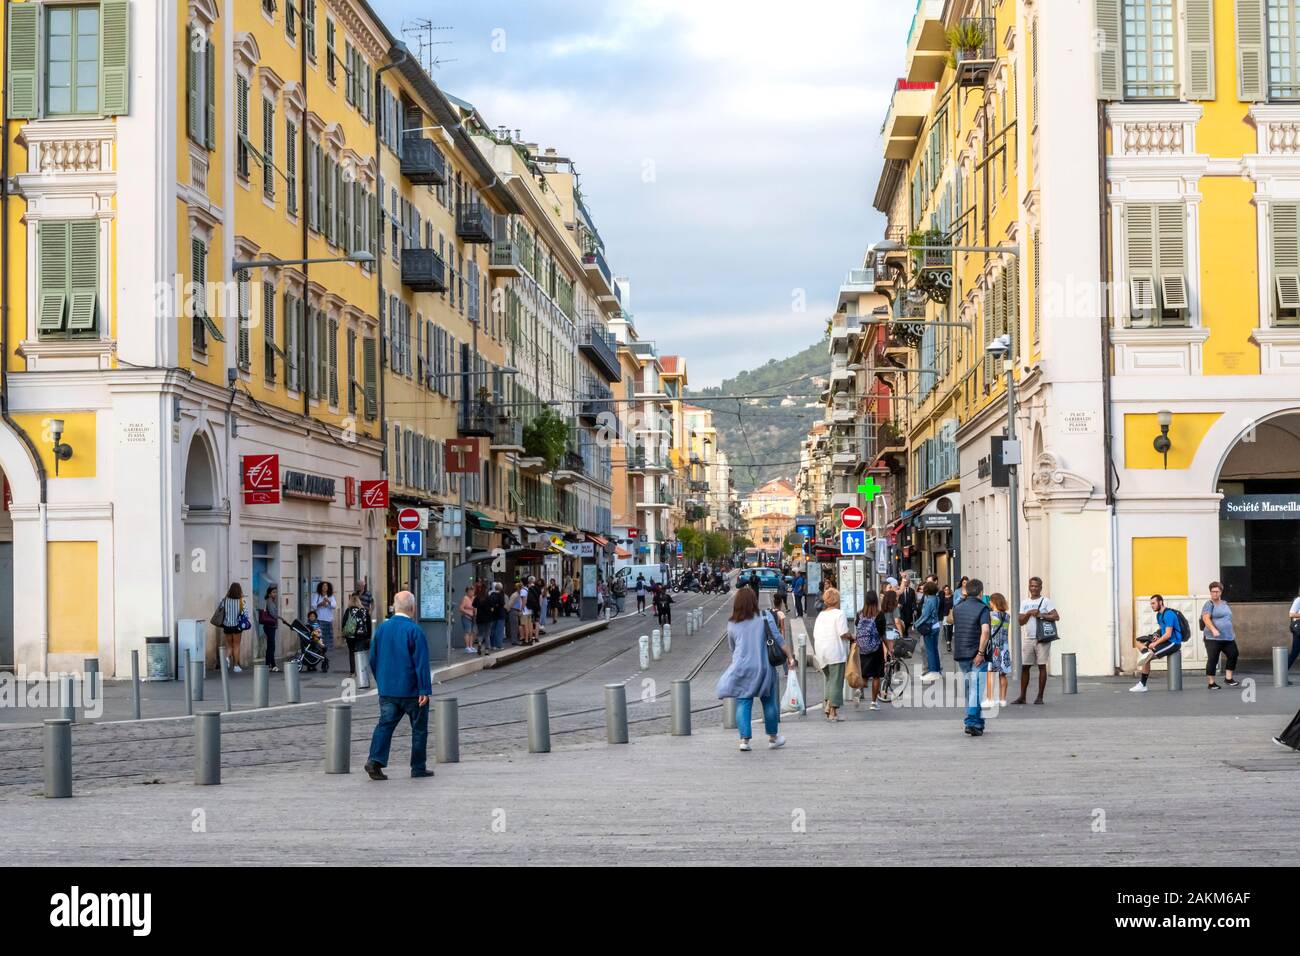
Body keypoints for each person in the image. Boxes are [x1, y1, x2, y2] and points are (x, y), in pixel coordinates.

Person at [364, 591, 433, 780]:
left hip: (388, 690)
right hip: (412, 690)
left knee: (385, 725)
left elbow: (373, 658)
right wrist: (424, 689)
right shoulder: (415, 630)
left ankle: (374, 760)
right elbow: (421, 663)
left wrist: (382, 681)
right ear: (413, 608)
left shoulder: (382, 629)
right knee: (419, 729)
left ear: (395, 607)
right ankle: (418, 767)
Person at [715, 586, 792, 752]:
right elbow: (778, 639)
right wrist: (790, 657)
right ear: (754, 601)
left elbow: (732, 647)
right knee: (769, 701)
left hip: (742, 667)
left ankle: (744, 740)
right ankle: (773, 737)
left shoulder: (732, 623)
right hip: (764, 667)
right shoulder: (765, 617)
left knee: (743, 701)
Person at [951, 577, 992, 736]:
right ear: (981, 592)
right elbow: (986, 631)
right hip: (976, 654)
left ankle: (978, 722)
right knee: (976, 689)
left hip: (961, 653)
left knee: (970, 688)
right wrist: (981, 652)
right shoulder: (983, 608)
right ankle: (972, 722)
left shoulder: (958, 607)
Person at [1014, 576, 1059, 705]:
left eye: (1036, 586)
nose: (1034, 588)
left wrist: (1041, 615)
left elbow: (1056, 616)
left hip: (1042, 638)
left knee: (1041, 666)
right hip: (1028, 638)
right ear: (1029, 586)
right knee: (1025, 667)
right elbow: (1020, 622)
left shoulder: (1046, 601)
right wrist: (1028, 613)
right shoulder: (1024, 602)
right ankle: (1022, 696)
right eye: (1032, 586)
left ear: (1040, 587)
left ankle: (1040, 697)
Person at [1130, 594, 1183, 693]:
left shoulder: (1169, 614)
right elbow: (1163, 630)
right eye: (1151, 604)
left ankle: (1142, 684)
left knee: (1147, 657)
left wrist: (1155, 644)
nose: (1152, 605)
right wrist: (1155, 635)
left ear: (1160, 602)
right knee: (1138, 642)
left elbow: (1168, 634)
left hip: (1173, 642)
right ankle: (1146, 653)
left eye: (1153, 603)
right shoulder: (1159, 615)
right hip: (1165, 640)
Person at [812, 587, 851, 722]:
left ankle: (828, 706)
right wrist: (852, 637)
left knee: (829, 679)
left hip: (821, 651)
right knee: (836, 681)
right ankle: (833, 711)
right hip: (835, 651)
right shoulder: (839, 614)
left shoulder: (821, 615)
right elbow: (843, 633)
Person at [1201, 582, 1240, 689]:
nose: (1215, 594)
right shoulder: (1208, 604)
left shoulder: (1224, 603)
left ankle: (1228, 678)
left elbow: (1227, 618)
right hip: (1212, 638)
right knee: (1213, 659)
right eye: (1213, 592)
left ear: (1221, 592)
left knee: (1233, 654)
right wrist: (1213, 630)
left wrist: (1230, 631)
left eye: (1217, 591)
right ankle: (1211, 683)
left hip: (1228, 637)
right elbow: (1206, 618)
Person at [855, 591, 888, 711]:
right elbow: (882, 634)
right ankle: (873, 702)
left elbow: (857, 627)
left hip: (863, 649)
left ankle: (859, 689)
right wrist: (889, 649)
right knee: (876, 676)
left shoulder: (860, 614)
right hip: (875, 649)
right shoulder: (879, 615)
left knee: (864, 674)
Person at [983, 592, 1011, 705]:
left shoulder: (990, 615)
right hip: (1004, 647)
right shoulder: (1007, 616)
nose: (989, 602)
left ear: (994, 602)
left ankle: (990, 699)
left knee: (990, 673)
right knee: (1002, 674)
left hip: (994, 648)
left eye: (990, 601)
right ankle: (1003, 699)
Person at [216, 582, 247, 672]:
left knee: (229, 646)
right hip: (237, 626)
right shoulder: (241, 601)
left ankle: (226, 657)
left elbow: (220, 609)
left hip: (227, 626)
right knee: (236, 645)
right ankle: (236, 666)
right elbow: (246, 613)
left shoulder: (225, 600)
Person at [915, 580, 942, 684]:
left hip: (929, 627)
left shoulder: (929, 600)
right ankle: (937, 670)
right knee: (934, 649)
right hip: (935, 626)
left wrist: (916, 624)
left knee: (930, 650)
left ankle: (933, 672)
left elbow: (925, 615)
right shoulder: (936, 598)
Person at [341, 591, 373, 675]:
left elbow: (344, 622)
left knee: (351, 652)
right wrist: (369, 636)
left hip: (350, 635)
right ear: (359, 601)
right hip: (361, 635)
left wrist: (344, 633)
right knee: (360, 653)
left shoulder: (348, 611)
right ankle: (360, 671)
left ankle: (352, 671)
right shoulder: (364, 611)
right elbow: (368, 624)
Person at [311, 581, 338, 651]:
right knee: (318, 636)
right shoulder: (317, 595)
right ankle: (318, 649)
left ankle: (325, 650)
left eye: (326, 586)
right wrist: (321, 604)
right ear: (321, 587)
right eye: (323, 586)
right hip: (319, 619)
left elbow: (334, 605)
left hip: (328, 619)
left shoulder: (330, 596)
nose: (325, 587)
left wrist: (328, 601)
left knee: (327, 637)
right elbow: (313, 606)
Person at [258, 585, 279, 672]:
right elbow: (273, 614)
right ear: (269, 594)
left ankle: (268, 664)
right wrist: (278, 616)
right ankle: (272, 665)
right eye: (273, 592)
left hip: (269, 626)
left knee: (270, 646)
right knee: (272, 646)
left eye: (276, 592)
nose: (275, 594)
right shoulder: (270, 602)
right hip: (270, 626)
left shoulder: (270, 601)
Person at [473, 581, 492, 653]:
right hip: (488, 618)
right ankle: (487, 650)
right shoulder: (488, 597)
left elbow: (474, 606)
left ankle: (480, 643)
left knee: (480, 633)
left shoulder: (477, 598)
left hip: (480, 618)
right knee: (487, 634)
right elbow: (492, 607)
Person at [458, 585, 477, 655]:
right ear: (467, 592)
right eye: (470, 591)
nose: (472, 593)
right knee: (467, 632)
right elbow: (461, 608)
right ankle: (467, 647)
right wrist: (468, 614)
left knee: (472, 632)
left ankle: (471, 646)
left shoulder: (474, 598)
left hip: (473, 617)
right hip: (466, 617)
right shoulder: (465, 598)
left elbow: (475, 607)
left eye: (473, 591)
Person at [487, 582, 507, 650]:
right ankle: (499, 645)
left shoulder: (491, 595)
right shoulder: (501, 595)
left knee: (492, 630)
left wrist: (494, 606)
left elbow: (490, 604)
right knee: (499, 630)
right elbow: (502, 604)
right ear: (501, 588)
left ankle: (493, 645)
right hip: (500, 614)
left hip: (493, 615)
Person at [940, 584, 955, 654]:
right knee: (946, 629)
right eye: (945, 590)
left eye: (947, 589)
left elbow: (955, 604)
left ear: (949, 590)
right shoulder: (942, 598)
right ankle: (948, 643)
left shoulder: (953, 597)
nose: (946, 591)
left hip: (951, 615)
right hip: (944, 615)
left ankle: (949, 640)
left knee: (950, 629)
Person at [507, 580, 522, 645]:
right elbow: (510, 604)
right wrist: (508, 610)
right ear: (517, 588)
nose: (521, 589)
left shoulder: (519, 594)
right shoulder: (514, 595)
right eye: (520, 587)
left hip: (517, 611)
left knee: (516, 626)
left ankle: (515, 639)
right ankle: (514, 640)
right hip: (513, 611)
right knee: (514, 626)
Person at [1289, 585, 1300, 671]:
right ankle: (1282, 673)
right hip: (1298, 630)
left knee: (1295, 652)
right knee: (1295, 652)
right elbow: (1291, 614)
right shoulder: (1298, 600)